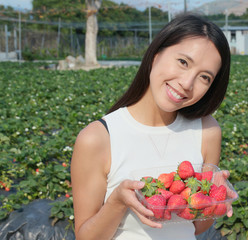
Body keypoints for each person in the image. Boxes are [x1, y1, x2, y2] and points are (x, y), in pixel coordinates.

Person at [71, 13, 233, 239]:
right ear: (156, 54)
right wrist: (117, 201)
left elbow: (195, 228)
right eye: (183, 62)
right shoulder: (99, 138)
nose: (187, 83)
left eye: (204, 77)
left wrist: (214, 204)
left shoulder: (207, 132)